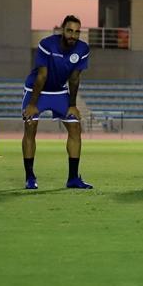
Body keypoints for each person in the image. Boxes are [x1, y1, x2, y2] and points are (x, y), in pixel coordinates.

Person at [21, 15, 93, 190]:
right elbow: (41, 76)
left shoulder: (82, 49)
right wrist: (32, 105)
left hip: (59, 92)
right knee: (30, 127)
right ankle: (30, 177)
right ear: (62, 30)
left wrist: (72, 105)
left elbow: (74, 78)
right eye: (69, 31)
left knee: (75, 128)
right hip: (37, 90)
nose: (73, 35)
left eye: (77, 32)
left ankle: (73, 179)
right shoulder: (46, 45)